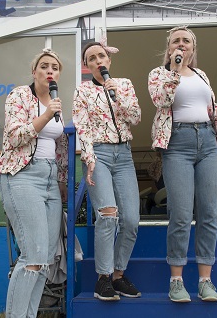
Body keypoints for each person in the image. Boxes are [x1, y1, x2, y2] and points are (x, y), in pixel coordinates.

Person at [148, 25, 217, 303]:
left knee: (209, 213)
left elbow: (209, 111)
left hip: (207, 142)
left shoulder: (201, 75)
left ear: (193, 49)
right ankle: (176, 281)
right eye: (175, 42)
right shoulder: (159, 75)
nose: (181, 45)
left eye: (186, 41)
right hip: (177, 144)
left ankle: (205, 280)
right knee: (181, 214)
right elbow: (161, 100)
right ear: (169, 48)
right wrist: (173, 71)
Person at [0, 48, 68, 318]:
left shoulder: (55, 103)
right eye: (44, 67)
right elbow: (15, 137)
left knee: (46, 260)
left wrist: (61, 179)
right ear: (34, 72)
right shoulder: (19, 95)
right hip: (23, 176)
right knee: (33, 256)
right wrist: (47, 115)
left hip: (50, 180)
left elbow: (59, 145)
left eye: (55, 67)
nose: (50, 71)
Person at [72, 40, 142, 301]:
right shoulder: (83, 91)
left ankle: (118, 275)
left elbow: (135, 117)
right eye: (92, 58)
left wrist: (118, 94)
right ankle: (102, 279)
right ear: (86, 65)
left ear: (109, 61)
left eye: (101, 56)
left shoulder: (123, 84)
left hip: (124, 154)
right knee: (107, 214)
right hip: (98, 153)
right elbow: (82, 127)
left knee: (132, 220)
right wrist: (89, 158)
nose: (98, 61)